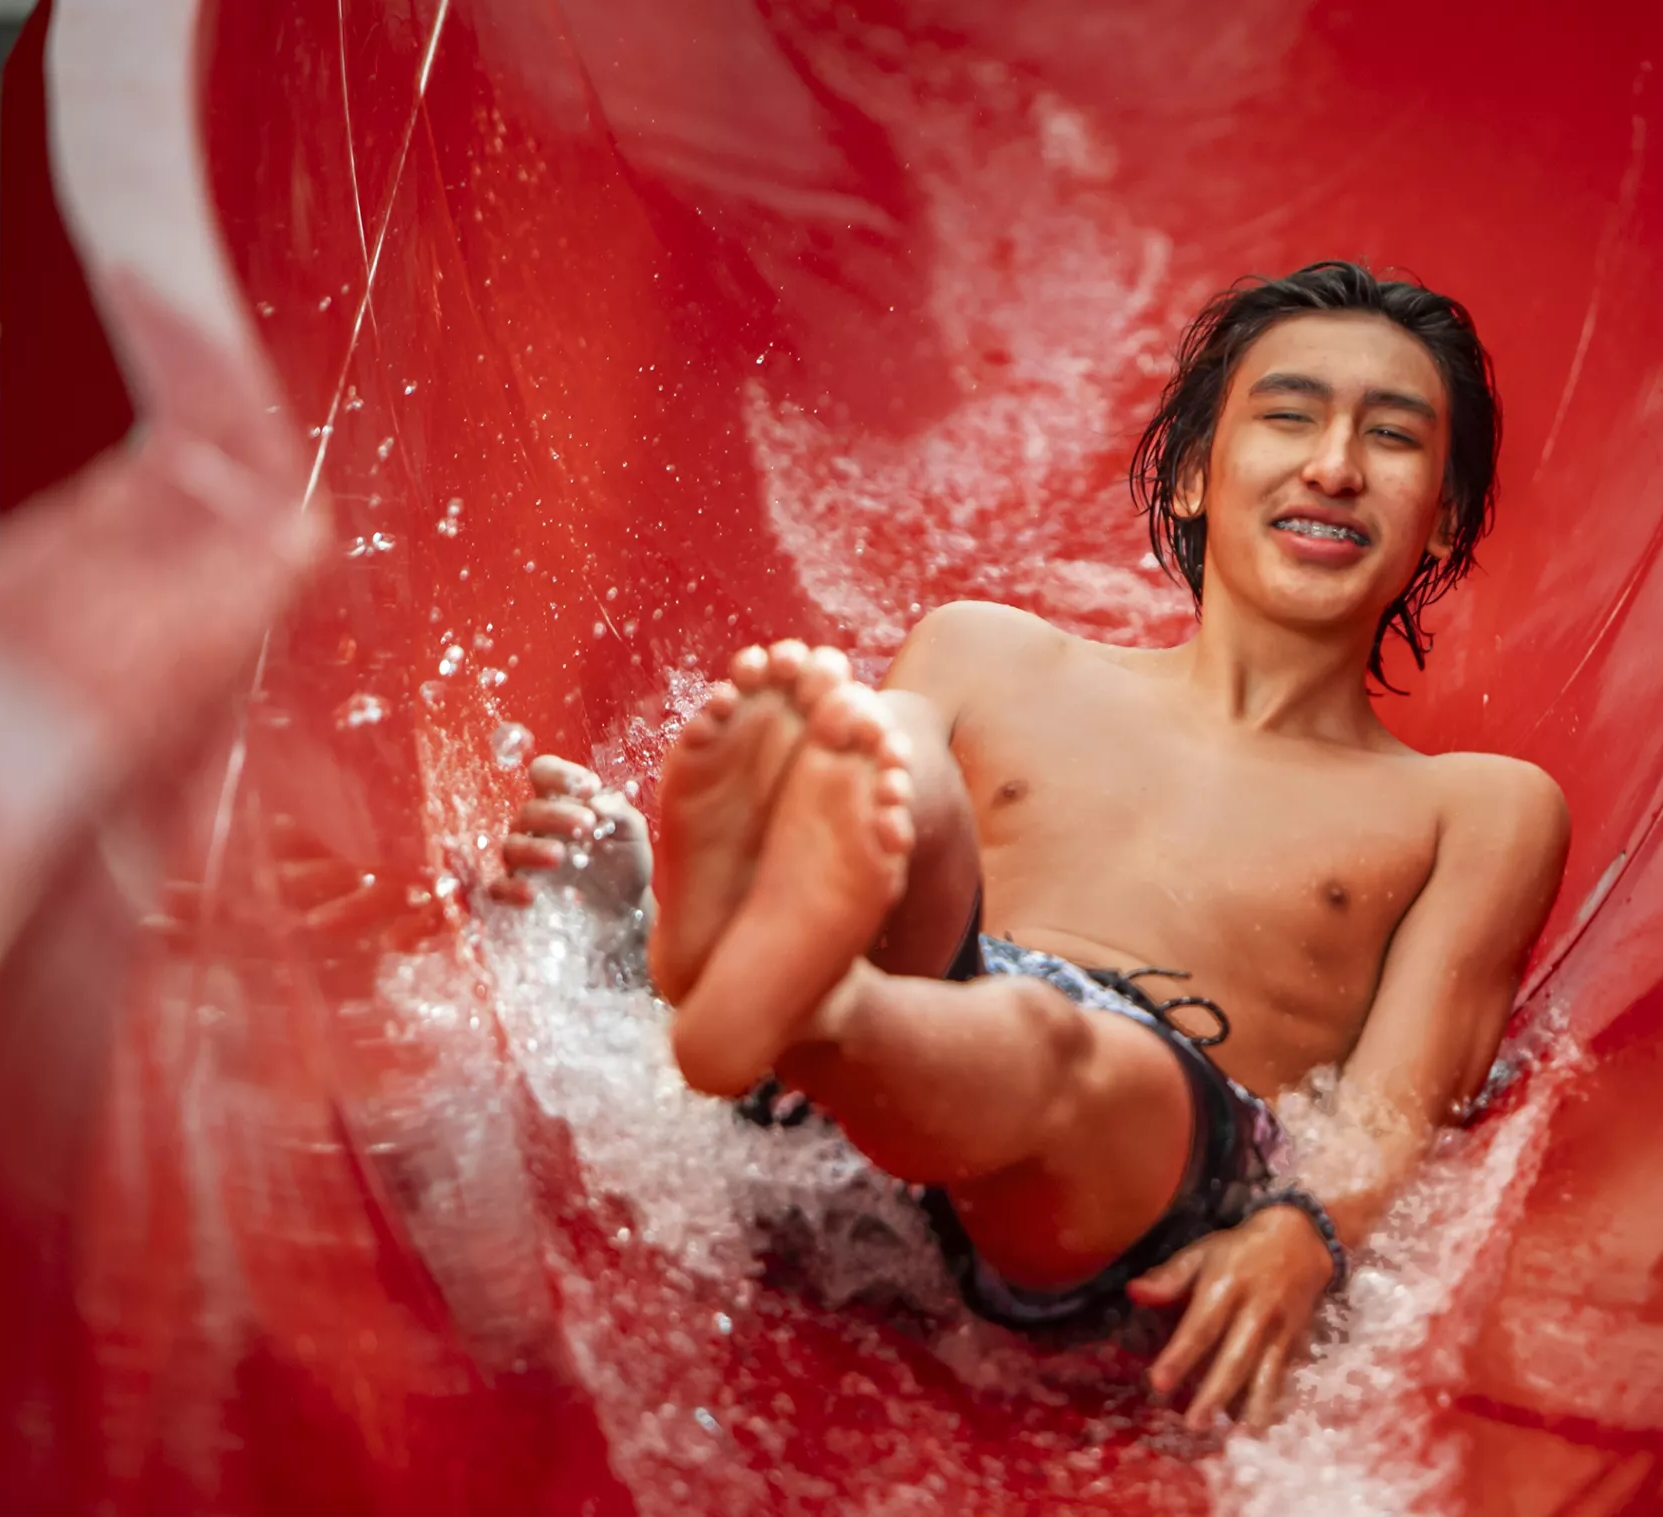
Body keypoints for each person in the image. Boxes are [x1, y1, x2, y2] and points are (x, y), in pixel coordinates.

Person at [494, 261, 1568, 1429]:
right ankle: (732, 951)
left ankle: (770, 997)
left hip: (1126, 1159)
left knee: (1052, 1043)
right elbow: (925, 900)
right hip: (923, 1012)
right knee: (904, 774)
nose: (1334, 464)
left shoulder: (1476, 807)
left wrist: (1305, 1231)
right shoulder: (992, 654)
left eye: (1394, 437)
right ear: (1200, 471)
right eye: (1290, 416)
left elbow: (1396, 1105)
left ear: (1446, 516)